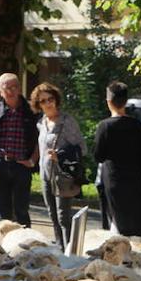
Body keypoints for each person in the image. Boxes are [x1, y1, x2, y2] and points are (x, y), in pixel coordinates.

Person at [95, 81, 141, 237]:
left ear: (109, 102)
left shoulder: (105, 126)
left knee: (116, 226)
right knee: (136, 229)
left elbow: (98, 155)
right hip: (137, 183)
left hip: (114, 181)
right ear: (125, 102)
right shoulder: (138, 126)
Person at [32, 82, 86, 247]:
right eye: (43, 101)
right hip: (45, 175)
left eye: (50, 99)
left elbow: (82, 148)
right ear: (38, 104)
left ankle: (70, 251)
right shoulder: (41, 122)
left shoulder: (67, 121)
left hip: (62, 175)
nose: (48, 103)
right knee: (52, 215)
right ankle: (60, 248)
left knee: (63, 217)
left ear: (56, 100)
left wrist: (60, 155)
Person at [0, 73, 38, 226]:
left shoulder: (30, 110)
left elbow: (39, 138)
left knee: (22, 209)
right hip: (0, 164)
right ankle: (5, 243)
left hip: (21, 165)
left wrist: (33, 159)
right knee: (3, 211)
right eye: (7, 88)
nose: (12, 91)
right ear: (0, 91)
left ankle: (27, 240)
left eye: (15, 87)